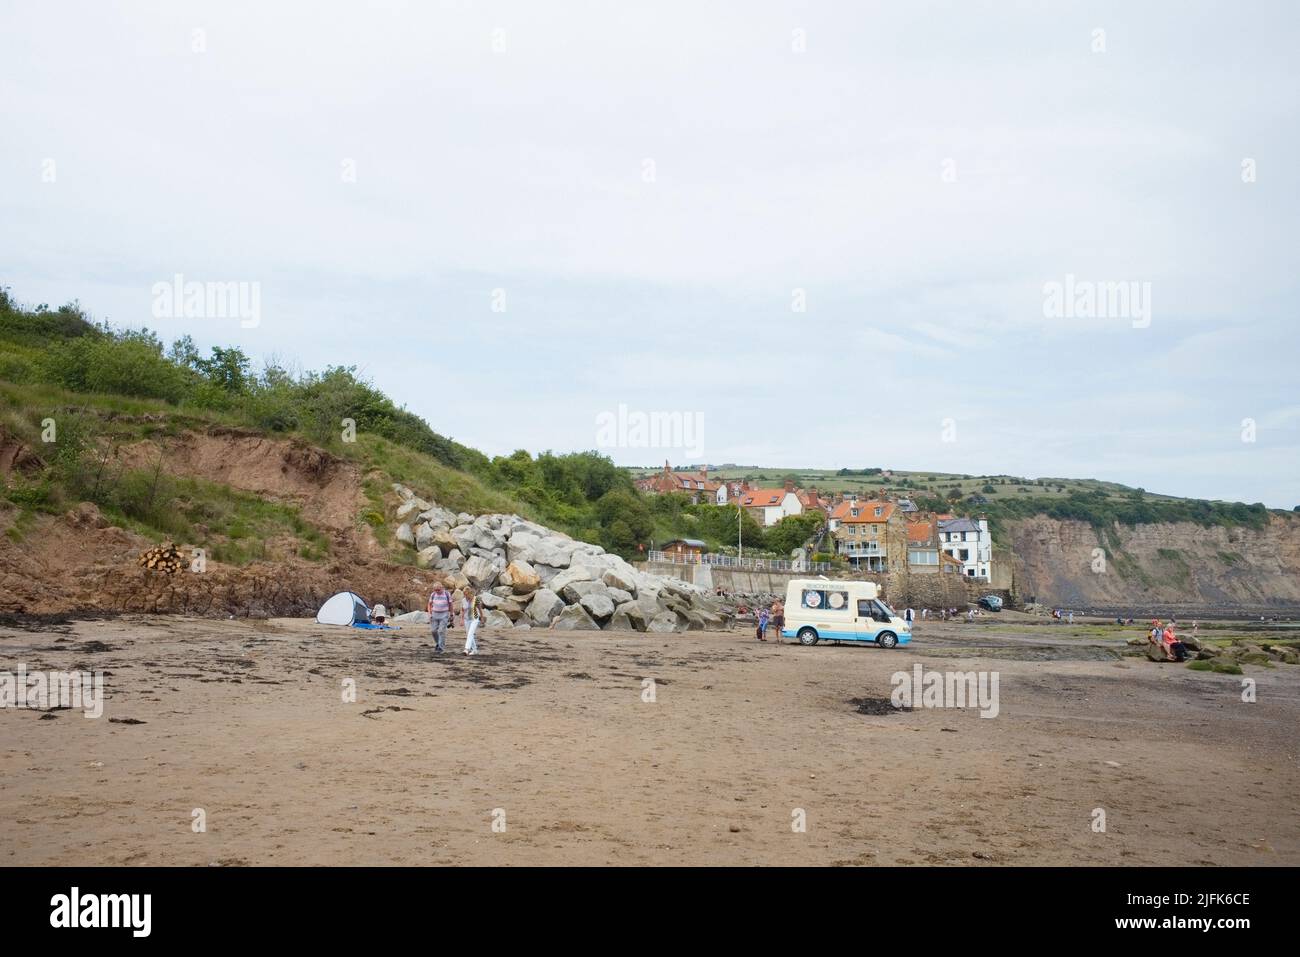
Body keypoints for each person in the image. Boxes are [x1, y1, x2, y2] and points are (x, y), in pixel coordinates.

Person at [427, 582, 452, 653]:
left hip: (444, 614)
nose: (437, 591)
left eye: (438, 590)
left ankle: (441, 647)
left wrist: (451, 614)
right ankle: (438, 643)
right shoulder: (433, 594)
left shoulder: (447, 594)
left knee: (441, 631)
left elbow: (450, 604)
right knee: (433, 631)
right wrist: (429, 613)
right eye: (435, 590)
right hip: (434, 614)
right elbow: (429, 604)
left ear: (442, 588)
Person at [462, 587, 485, 656]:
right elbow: (463, 610)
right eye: (464, 594)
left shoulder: (476, 599)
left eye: (466, 594)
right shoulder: (463, 600)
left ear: (470, 593)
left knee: (470, 633)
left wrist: (482, 618)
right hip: (466, 619)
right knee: (469, 635)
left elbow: (480, 609)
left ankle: (467, 649)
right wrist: (461, 619)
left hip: (474, 619)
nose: (465, 596)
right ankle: (474, 649)